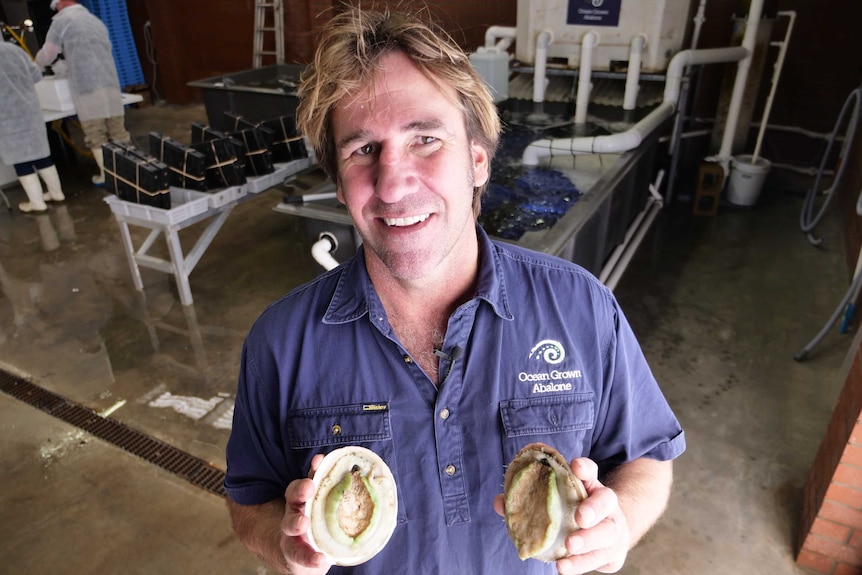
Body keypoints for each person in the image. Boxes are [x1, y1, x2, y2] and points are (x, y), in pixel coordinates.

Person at [224, 7, 686, 575]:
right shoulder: (280, 342)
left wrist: (618, 526)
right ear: (340, 186)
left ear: (477, 160)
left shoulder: (580, 307)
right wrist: (285, 542)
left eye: (425, 138)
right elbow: (250, 500)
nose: (393, 183)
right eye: (362, 150)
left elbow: (645, 458)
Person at [35, 0, 130, 186]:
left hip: (87, 87)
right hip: (110, 84)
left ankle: (108, 177)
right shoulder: (94, 20)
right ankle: (129, 172)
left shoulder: (62, 22)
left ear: (60, 4)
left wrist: (36, 65)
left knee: (96, 134)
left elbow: (49, 52)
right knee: (118, 132)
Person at [0, 41, 66, 214]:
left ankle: (36, 202)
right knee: (40, 154)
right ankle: (56, 193)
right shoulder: (13, 49)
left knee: (21, 159)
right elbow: (36, 75)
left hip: (5, 116)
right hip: (29, 109)